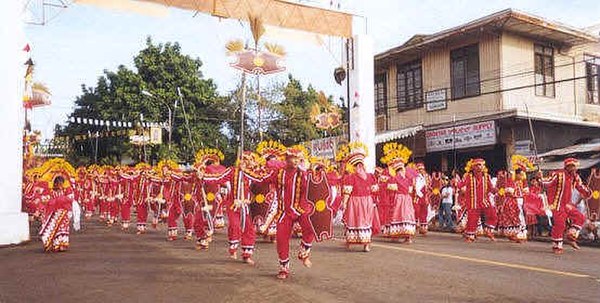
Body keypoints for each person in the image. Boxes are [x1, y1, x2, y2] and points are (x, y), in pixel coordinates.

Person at [540, 158, 591, 254]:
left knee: (580, 217)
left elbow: (581, 187)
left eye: (575, 167)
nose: (574, 169)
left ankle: (571, 235)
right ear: (567, 167)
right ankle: (557, 245)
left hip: (567, 204)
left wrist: (587, 192)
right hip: (557, 204)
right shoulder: (558, 174)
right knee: (560, 224)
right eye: (572, 167)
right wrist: (541, 179)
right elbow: (548, 183)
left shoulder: (575, 177)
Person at [337, 142, 380, 252]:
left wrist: (344, 203)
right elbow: (375, 190)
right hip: (367, 202)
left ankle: (351, 242)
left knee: (354, 221)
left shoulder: (351, 177)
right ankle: (366, 244)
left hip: (355, 202)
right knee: (365, 221)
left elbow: (347, 192)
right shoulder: (370, 176)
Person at [379, 142, 416, 243]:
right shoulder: (407, 179)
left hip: (398, 198)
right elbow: (410, 190)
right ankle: (408, 237)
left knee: (397, 215)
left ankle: (396, 235)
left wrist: (386, 184)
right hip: (407, 199)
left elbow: (391, 188)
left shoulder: (394, 178)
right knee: (407, 216)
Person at [459, 158, 497, 243]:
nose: (480, 167)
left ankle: (489, 230)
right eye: (478, 165)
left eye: (482, 165)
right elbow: (461, 185)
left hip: (484, 200)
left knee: (493, 214)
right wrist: (461, 188)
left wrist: (499, 190)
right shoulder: (468, 176)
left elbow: (491, 188)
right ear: (473, 167)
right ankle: (470, 235)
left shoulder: (487, 176)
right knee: (472, 219)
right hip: (473, 201)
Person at [39, 175, 74, 252]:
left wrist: (58, 200)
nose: (60, 185)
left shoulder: (67, 190)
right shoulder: (50, 191)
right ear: (55, 183)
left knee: (63, 229)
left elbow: (70, 198)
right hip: (53, 213)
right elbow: (44, 199)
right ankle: (53, 244)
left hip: (64, 213)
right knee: (53, 229)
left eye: (62, 183)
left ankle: (62, 245)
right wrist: (54, 201)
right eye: (58, 183)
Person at [413, 163, 431, 235]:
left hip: (425, 197)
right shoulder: (415, 177)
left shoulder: (427, 177)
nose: (421, 171)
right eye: (419, 169)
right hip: (417, 197)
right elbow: (414, 186)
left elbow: (429, 185)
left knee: (424, 212)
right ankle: (415, 226)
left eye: (422, 169)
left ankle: (423, 228)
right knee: (416, 211)